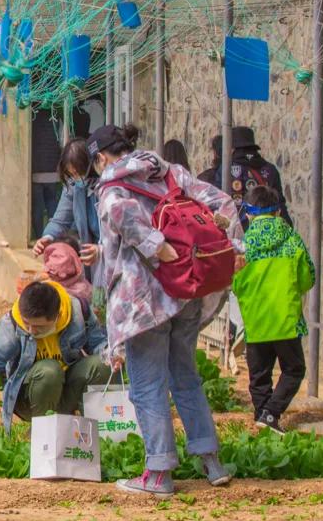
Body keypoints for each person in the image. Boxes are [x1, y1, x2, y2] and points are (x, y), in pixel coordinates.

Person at [88, 123, 241, 496]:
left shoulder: (111, 186)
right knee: (185, 375)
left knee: (147, 385)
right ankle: (212, 462)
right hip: (188, 291)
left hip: (144, 302)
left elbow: (123, 218)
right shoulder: (172, 172)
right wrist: (232, 245)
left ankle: (158, 473)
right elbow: (222, 202)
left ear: (100, 158)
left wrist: (158, 249)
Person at [0, 281, 107, 436]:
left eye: (39, 327)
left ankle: (95, 430)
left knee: (103, 362)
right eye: (27, 324)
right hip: (29, 398)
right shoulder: (12, 325)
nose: (31, 331)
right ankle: (41, 433)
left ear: (58, 316)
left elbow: (99, 344)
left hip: (66, 391)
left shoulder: (77, 312)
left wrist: (113, 354)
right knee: (50, 370)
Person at [232, 185, 314, 434]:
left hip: (256, 322)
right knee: (294, 369)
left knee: (259, 377)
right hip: (286, 320)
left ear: (248, 214)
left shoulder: (244, 245)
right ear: (278, 212)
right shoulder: (291, 239)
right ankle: (271, 414)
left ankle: (263, 418)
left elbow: (235, 283)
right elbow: (307, 277)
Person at [33, 140, 100, 269]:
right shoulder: (73, 185)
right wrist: (48, 237)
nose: (76, 178)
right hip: (89, 256)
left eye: (78, 172)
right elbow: (60, 220)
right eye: (71, 174)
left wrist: (102, 250)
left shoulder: (106, 188)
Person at [30, 110, 64, 243]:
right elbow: (62, 143)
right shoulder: (57, 119)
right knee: (52, 206)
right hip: (53, 172)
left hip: (36, 171)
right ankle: (54, 238)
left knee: (37, 208)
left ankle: (40, 237)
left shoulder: (32, 119)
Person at [37, 235, 92, 304]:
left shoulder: (81, 292)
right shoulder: (45, 285)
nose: (53, 263)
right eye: (54, 256)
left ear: (75, 262)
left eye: (60, 258)